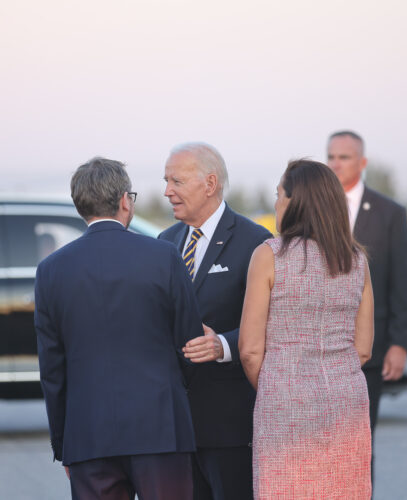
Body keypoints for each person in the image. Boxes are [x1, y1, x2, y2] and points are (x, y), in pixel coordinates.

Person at [35, 157, 202, 500]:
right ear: (125, 200)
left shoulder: (51, 270)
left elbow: (52, 368)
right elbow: (189, 342)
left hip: (88, 435)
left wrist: (64, 442)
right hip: (160, 429)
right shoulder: (164, 256)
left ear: (80, 204)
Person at [239, 159, 374, 499]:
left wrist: (281, 385)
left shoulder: (269, 255)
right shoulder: (356, 260)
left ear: (296, 201)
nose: (275, 203)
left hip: (284, 400)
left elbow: (250, 350)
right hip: (346, 400)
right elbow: (363, 348)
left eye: (279, 195)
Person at [159, 142, 271, 500]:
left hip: (230, 426)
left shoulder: (257, 243)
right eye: (166, 181)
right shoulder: (165, 242)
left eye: (176, 181)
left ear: (209, 184)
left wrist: (222, 344)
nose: (167, 191)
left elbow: (274, 325)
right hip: (174, 426)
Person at [326, 130, 407, 480]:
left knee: (361, 441)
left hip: (370, 351)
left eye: (344, 157)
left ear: (361, 163)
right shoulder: (317, 209)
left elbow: (401, 281)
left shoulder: (389, 212)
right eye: (331, 156)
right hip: (323, 348)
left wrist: (399, 342)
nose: (335, 163)